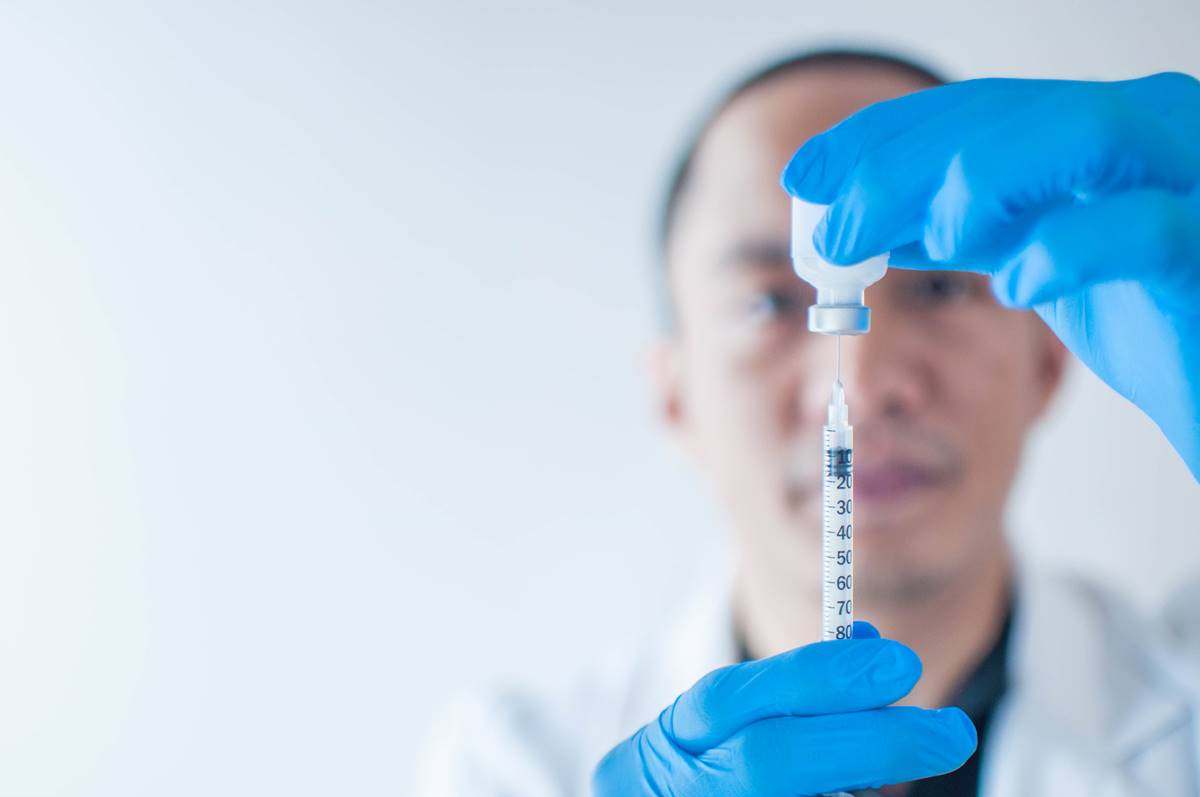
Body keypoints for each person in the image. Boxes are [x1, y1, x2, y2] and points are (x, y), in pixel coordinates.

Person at [420, 50, 1200, 796]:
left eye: (937, 291)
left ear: (1049, 359)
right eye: (767, 302)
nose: (863, 389)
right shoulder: (520, 765)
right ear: (675, 396)